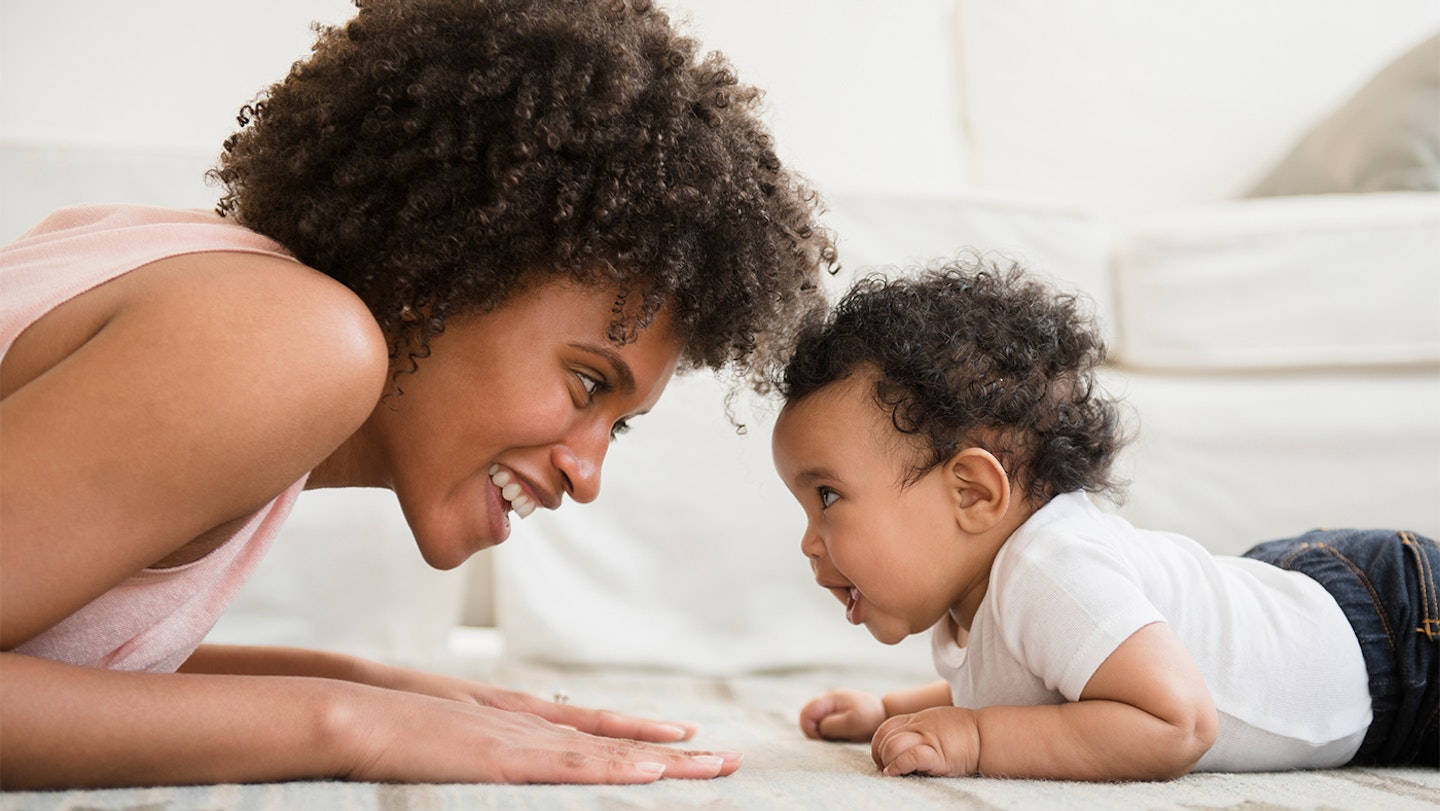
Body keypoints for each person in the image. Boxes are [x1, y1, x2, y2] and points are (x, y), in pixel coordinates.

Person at [0, 0, 834, 789]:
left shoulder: (224, 299)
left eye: (618, 429)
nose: (588, 474)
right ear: (439, 270)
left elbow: (54, 650)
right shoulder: (290, 342)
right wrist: (349, 723)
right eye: (586, 382)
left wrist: (373, 684)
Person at [769, 258, 1437, 780]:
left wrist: (975, 738)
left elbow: (1177, 720)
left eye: (826, 496)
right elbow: (1035, 680)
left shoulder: (1048, 569)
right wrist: (892, 709)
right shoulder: (978, 596)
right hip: (1305, 602)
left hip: (1397, 632)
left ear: (972, 493)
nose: (807, 540)